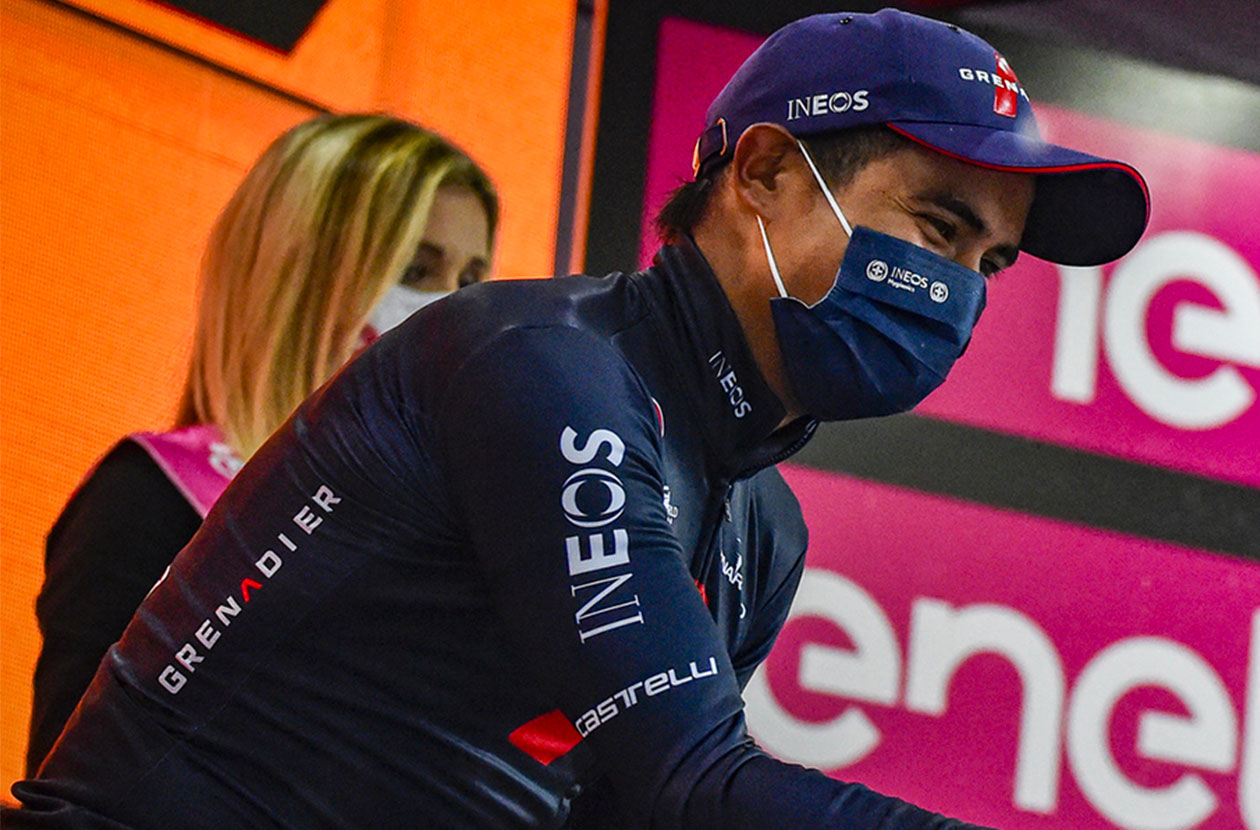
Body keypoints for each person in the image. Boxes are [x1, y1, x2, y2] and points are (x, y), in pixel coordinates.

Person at [8, 9, 1147, 828]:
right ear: (762, 171)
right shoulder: (546, 369)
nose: (959, 292)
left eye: (989, 263)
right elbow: (694, 779)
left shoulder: (762, 526)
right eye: (938, 228)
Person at [24, 113, 498, 776]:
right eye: (416, 269)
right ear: (297, 274)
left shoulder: (472, 533)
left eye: (470, 282)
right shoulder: (154, 496)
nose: (452, 309)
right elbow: (76, 792)